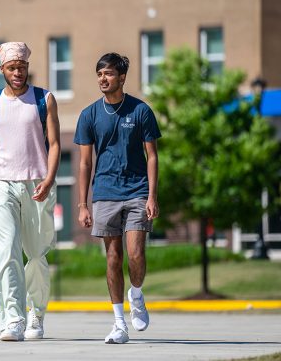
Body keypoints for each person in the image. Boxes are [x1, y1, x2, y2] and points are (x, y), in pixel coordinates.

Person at [0, 42, 61, 342]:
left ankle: (36, 313)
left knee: (35, 254)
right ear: (2, 70)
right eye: (12, 68)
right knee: (7, 252)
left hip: (37, 183)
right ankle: (13, 320)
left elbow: (56, 144)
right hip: (0, 183)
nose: (17, 72)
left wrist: (49, 179)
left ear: (27, 67)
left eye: (21, 67)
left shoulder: (44, 99)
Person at [74, 53, 160, 344]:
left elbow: (152, 156)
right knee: (113, 258)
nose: (103, 79)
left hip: (136, 191)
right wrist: (83, 204)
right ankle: (119, 324)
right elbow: (85, 163)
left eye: (108, 74)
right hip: (105, 194)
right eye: (99, 74)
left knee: (136, 253)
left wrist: (152, 196)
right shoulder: (88, 115)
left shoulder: (141, 111)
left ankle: (136, 294)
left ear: (121, 78)